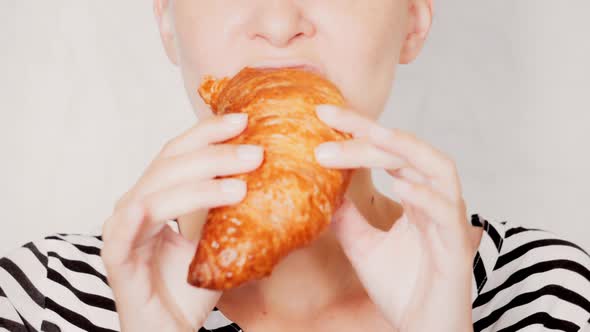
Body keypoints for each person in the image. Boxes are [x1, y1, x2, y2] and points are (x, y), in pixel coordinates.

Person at [1, 0, 589, 331]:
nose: (280, 25)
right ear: (167, 23)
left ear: (412, 20)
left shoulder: (555, 295)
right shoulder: (36, 299)